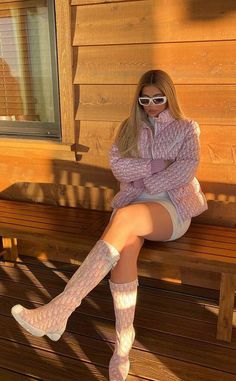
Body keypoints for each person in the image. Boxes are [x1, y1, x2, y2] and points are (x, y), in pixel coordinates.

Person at [11, 69, 208, 381]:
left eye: (158, 98)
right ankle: (122, 346)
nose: (152, 105)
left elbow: (184, 171)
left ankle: (61, 308)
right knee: (125, 248)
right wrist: (154, 166)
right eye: (145, 99)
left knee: (124, 218)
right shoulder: (129, 127)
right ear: (138, 99)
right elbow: (118, 166)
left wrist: (144, 177)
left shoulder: (187, 129)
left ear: (169, 96)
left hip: (172, 207)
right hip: (134, 205)